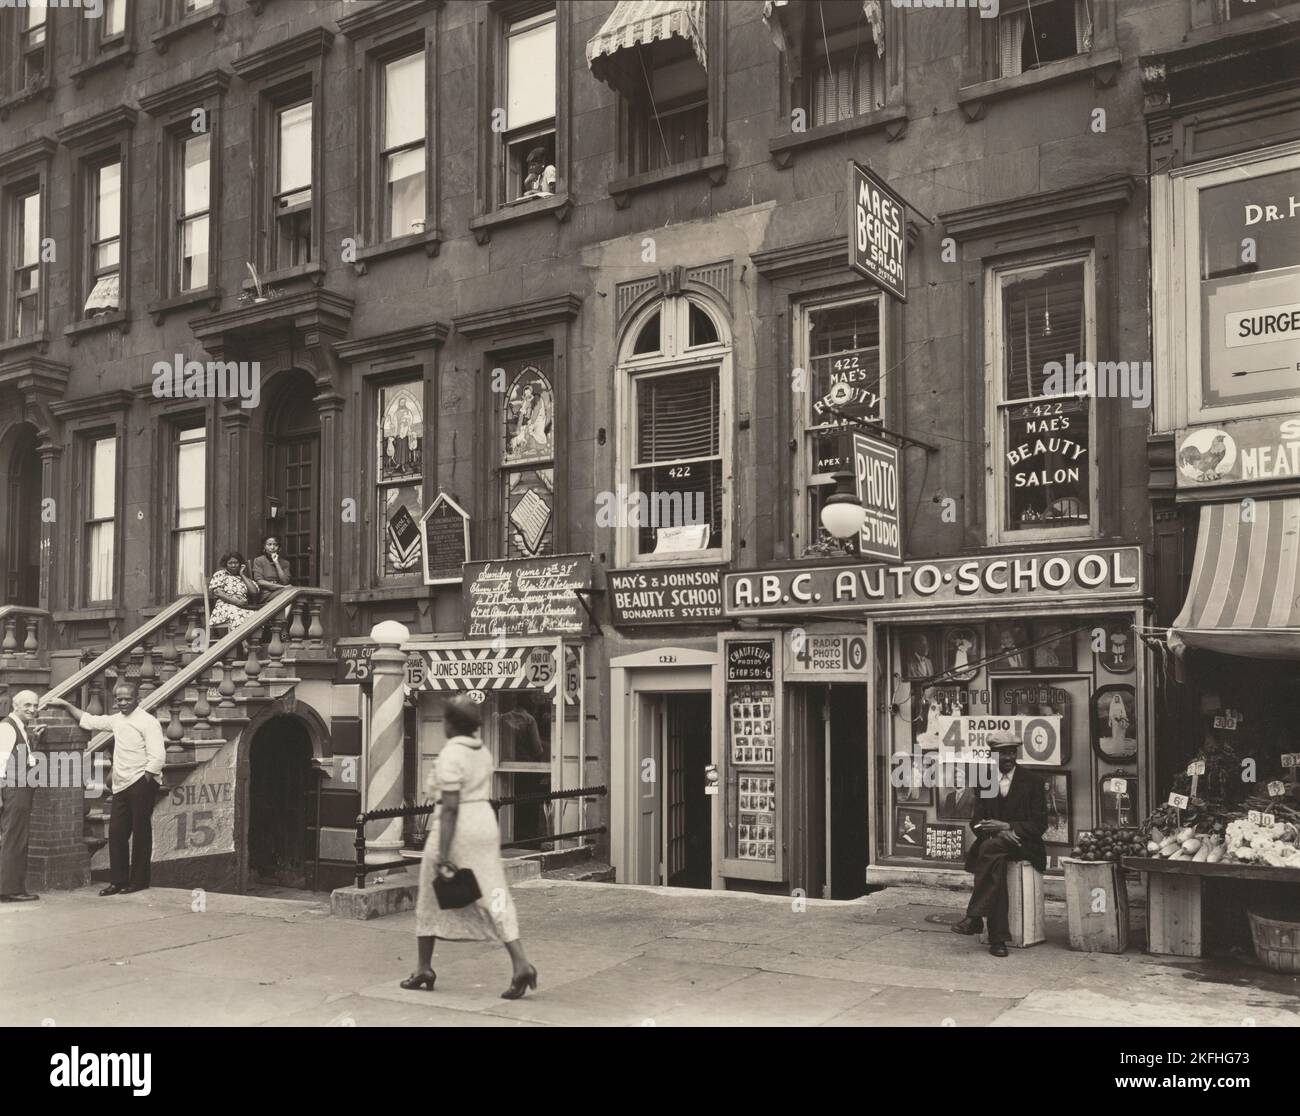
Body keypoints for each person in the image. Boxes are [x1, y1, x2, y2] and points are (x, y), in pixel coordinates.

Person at [402, 694, 538, 999]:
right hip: (484, 823)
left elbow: (449, 807)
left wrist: (443, 853)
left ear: (451, 724)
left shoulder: (451, 754)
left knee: (429, 892)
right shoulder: (483, 751)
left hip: (457, 825)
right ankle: (520, 961)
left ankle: (424, 966)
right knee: (496, 892)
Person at [47, 683, 165, 895]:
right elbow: (89, 720)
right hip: (121, 785)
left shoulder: (149, 722)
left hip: (142, 783)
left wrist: (144, 780)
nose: (123, 703)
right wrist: (65, 704)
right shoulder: (116, 720)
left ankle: (139, 881)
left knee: (141, 833)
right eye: (119, 699)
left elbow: (157, 757)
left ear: (137, 698)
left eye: (127, 699)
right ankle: (118, 881)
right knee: (117, 833)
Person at [951, 730, 1047, 957]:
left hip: (1025, 845)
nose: (1008, 758)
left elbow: (1039, 825)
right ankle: (997, 940)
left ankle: (974, 918)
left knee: (988, 851)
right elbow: (975, 822)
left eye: (1012, 753)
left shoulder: (1032, 782)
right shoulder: (985, 781)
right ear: (992, 755)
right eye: (1002, 753)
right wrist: (996, 832)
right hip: (995, 846)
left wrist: (1006, 828)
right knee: (996, 863)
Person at [0, 690, 45, 902]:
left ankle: (9, 887)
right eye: (27, 705)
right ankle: (10, 890)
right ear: (15, 706)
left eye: (35, 705)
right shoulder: (7, 728)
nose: (33, 710)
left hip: (20, 788)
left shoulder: (19, 728)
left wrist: (32, 737)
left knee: (15, 837)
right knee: (14, 838)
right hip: (14, 788)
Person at [208, 551, 259, 629]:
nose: (233, 565)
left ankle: (248, 640)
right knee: (238, 614)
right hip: (224, 607)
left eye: (236, 563)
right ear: (226, 564)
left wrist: (242, 574)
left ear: (240, 564)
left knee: (256, 616)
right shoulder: (221, 574)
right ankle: (240, 640)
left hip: (243, 607)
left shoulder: (244, 578)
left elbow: (254, 592)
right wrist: (236, 602)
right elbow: (218, 592)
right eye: (230, 563)